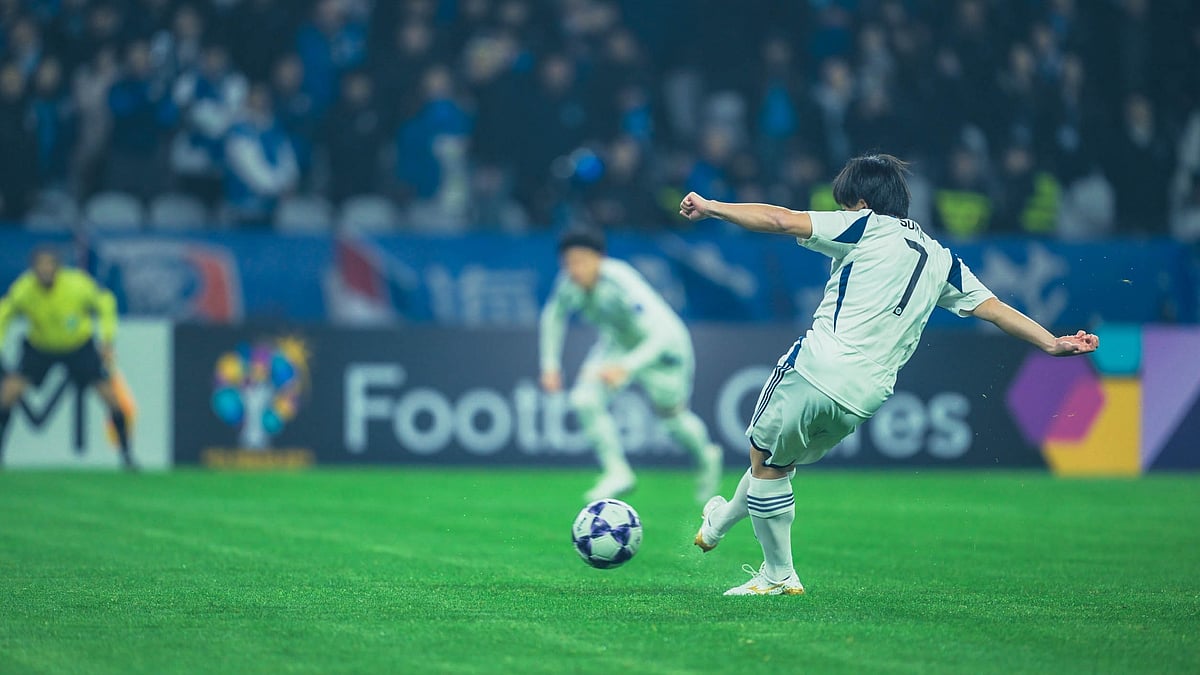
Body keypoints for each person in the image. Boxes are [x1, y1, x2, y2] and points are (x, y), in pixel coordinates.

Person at [678, 154, 1098, 596]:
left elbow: (782, 221)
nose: (841, 213)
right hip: (867, 395)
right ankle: (719, 523)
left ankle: (778, 576)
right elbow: (993, 309)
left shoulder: (865, 225)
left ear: (862, 202)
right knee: (779, 463)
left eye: (844, 205)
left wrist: (712, 206)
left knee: (764, 461)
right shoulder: (941, 259)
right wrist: (1052, 342)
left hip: (819, 365)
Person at [539, 228, 723, 503]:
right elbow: (553, 316)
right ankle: (617, 472)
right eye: (568, 262)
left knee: (673, 420)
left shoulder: (620, 281)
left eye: (581, 261)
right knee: (584, 399)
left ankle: (707, 458)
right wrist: (550, 365)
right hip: (618, 345)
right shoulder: (569, 283)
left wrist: (626, 366)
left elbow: (660, 334)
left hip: (663, 350)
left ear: (599, 259)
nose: (574, 269)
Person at [0, 247, 134, 469]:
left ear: (58, 267)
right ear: (33, 269)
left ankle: (127, 455)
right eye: (40, 265)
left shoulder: (77, 284)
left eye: (49, 264)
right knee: (9, 393)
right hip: (40, 347)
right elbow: (4, 313)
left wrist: (108, 340)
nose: (44, 270)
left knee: (110, 396)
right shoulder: (24, 289)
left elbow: (106, 302)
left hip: (78, 346)